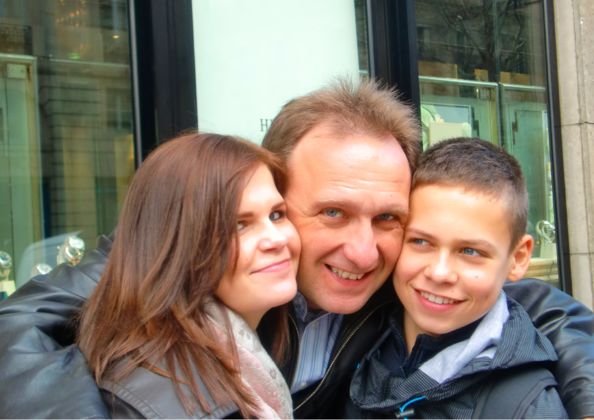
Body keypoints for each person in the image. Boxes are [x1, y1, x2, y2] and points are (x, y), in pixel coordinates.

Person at [0, 79, 593, 418]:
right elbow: (18, 325)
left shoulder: (403, 282)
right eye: (332, 212)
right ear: (273, 194)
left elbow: (528, 307)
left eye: (388, 218)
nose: (363, 252)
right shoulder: (182, 253)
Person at [80, 132, 299, 418]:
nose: (277, 239)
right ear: (178, 246)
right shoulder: (170, 399)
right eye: (238, 225)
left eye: (276, 214)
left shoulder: (232, 353)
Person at [347, 137, 567, 418]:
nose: (439, 273)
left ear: (518, 258)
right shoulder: (356, 328)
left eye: (470, 251)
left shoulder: (531, 409)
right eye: (421, 242)